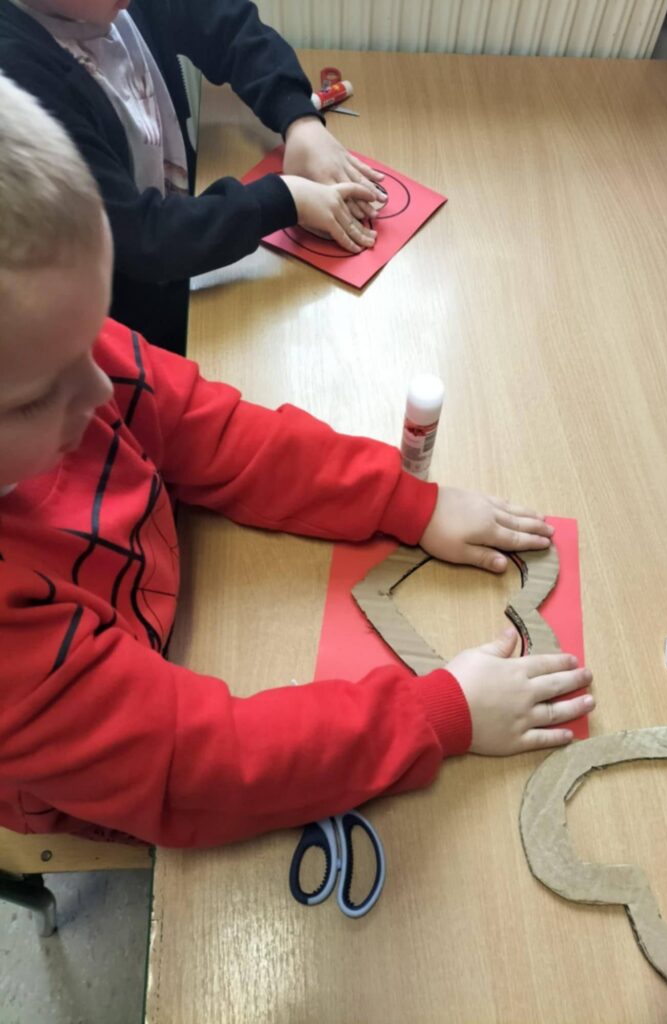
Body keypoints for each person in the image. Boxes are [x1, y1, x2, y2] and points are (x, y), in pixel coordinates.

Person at [0, 73, 595, 849]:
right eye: (35, 399)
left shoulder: (50, 350)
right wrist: (438, 712)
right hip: (111, 780)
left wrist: (407, 502)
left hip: (156, 610)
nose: (99, 388)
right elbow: (201, 768)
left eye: (93, 337)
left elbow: (210, 431)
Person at [0, 0, 384, 353]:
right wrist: (286, 198)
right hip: (126, 330)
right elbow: (141, 238)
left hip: (178, 261)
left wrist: (299, 119)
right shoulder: (18, 87)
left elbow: (227, 26)